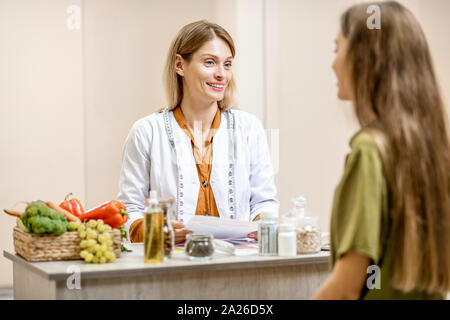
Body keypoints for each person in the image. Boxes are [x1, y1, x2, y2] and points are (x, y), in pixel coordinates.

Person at [313, 1, 450, 299]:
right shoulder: (432, 152)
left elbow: (347, 288)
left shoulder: (369, 152)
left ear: (365, 59)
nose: (333, 63)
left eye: (338, 50)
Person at [117, 20, 279, 244]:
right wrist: (158, 231)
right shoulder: (147, 132)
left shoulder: (249, 128)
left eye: (228, 64)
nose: (221, 74)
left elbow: (264, 202)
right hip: (172, 265)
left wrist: (262, 226)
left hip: (238, 262)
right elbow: (127, 210)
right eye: (210, 62)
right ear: (180, 65)